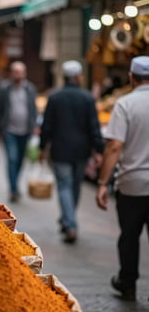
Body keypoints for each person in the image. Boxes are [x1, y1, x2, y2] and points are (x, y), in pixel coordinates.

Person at [96, 56, 149, 301]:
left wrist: (103, 183)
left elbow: (115, 146)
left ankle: (127, 283)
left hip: (132, 185)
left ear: (131, 77)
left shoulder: (125, 104)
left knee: (129, 236)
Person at [39, 60, 104, 244]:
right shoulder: (87, 98)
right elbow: (94, 127)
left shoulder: (54, 98)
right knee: (74, 186)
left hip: (60, 150)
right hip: (81, 151)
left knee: (65, 186)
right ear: (77, 77)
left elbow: (47, 126)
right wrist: (98, 149)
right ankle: (70, 221)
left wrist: (42, 147)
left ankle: (69, 222)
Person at [0, 61, 38, 203]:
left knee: (20, 160)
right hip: (9, 130)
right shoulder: (5, 89)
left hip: (25, 130)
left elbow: (33, 108)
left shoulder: (30, 89)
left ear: (24, 73)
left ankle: (16, 184)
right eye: (16, 72)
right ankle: (13, 189)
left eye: (21, 72)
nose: (18, 75)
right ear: (11, 73)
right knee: (12, 159)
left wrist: (35, 125)